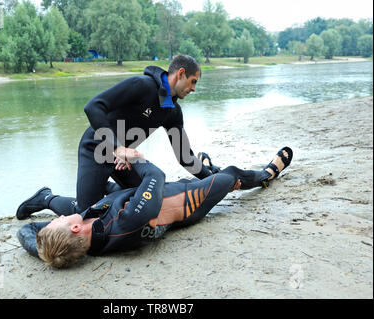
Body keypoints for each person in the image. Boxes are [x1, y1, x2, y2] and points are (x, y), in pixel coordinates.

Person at [16, 147, 293, 268]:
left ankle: (45, 197)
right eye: (58, 221)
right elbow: (156, 177)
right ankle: (267, 174)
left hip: (126, 197)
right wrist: (132, 156)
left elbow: (28, 231)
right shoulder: (125, 224)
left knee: (84, 201)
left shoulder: (80, 235)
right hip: (185, 201)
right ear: (75, 228)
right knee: (230, 176)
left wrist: (47, 253)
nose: (60, 218)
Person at [75, 54, 215, 214]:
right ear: (181, 73)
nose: (194, 89)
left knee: (151, 198)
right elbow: (93, 107)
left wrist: (215, 180)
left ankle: (105, 187)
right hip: (96, 149)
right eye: (193, 81)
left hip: (123, 159)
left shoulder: (173, 112)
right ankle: (46, 198)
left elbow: (186, 158)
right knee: (86, 214)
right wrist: (117, 147)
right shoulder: (141, 86)